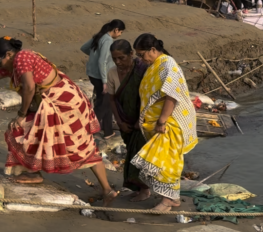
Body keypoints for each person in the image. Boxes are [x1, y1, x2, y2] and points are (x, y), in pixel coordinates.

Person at [0, 37, 118, 205]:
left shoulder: (22, 58)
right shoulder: (12, 64)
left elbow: (29, 87)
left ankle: (107, 190)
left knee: (79, 147)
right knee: (24, 131)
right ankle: (33, 173)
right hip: (49, 104)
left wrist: (21, 114)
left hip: (64, 105)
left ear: (8, 54)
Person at [131, 33, 197, 211]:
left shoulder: (168, 65)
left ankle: (169, 200)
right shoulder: (156, 65)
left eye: (142, 54)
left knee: (167, 161)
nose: (140, 58)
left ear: (153, 50)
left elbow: (172, 94)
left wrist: (162, 120)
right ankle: (169, 198)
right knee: (161, 161)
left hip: (169, 122)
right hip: (156, 121)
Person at [105, 39, 150, 202]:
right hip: (125, 119)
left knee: (141, 155)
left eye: (121, 58)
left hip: (142, 121)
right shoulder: (112, 73)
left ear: (131, 54)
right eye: (114, 59)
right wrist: (119, 121)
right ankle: (137, 188)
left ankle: (145, 189)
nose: (118, 62)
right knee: (131, 154)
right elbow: (112, 99)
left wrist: (141, 119)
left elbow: (148, 98)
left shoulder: (142, 70)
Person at [80, 19, 126, 138]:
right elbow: (102, 61)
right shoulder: (108, 41)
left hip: (93, 74)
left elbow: (84, 48)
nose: (120, 35)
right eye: (120, 32)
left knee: (108, 102)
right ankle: (88, 131)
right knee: (102, 105)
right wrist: (105, 82)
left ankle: (108, 131)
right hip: (101, 77)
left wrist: (94, 56)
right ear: (116, 30)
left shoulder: (99, 36)